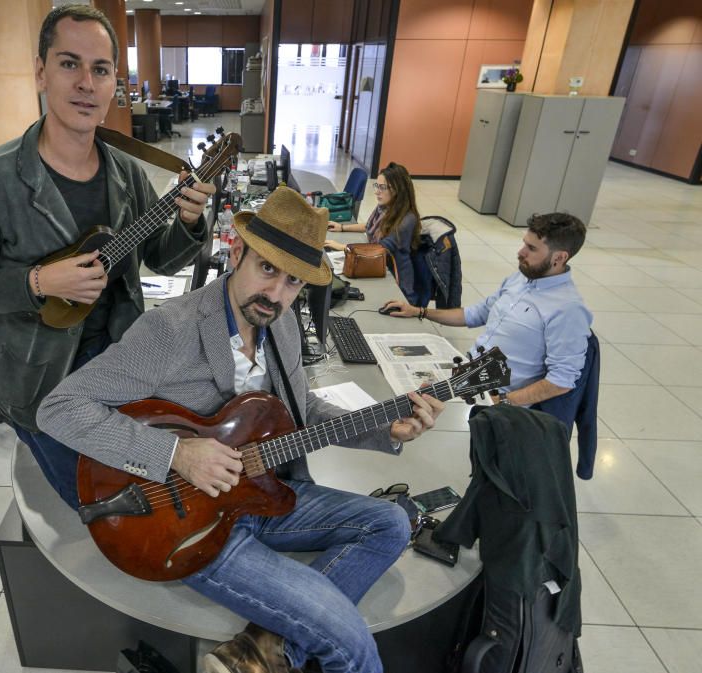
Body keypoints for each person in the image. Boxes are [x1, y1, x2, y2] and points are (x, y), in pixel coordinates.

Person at [38, 186, 445, 673]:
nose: (276, 294)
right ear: (237, 253)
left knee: (392, 524)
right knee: (348, 641)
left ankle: (265, 650)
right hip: (193, 520)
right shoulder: (171, 330)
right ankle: (290, 639)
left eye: (293, 282)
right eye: (267, 269)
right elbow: (59, 408)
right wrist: (177, 454)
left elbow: (302, 413)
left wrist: (386, 429)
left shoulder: (285, 323)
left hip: (263, 492)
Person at [0, 5, 214, 484]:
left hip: (122, 359)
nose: (86, 82)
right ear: (41, 72)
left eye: (100, 69)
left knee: (148, 480)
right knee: (93, 501)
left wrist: (188, 219)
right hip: (40, 377)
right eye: (69, 63)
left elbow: (160, 259)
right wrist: (36, 282)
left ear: (112, 83)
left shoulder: (126, 172)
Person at [382, 212, 592, 407]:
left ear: (559, 258)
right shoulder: (521, 278)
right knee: (386, 378)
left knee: (405, 410)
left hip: (495, 396)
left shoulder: (568, 310)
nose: (521, 253)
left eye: (532, 248)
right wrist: (419, 311)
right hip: (468, 373)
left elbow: (561, 380)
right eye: (524, 244)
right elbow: (475, 314)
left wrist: (500, 401)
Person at [329, 162, 420, 300]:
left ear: (397, 190)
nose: (377, 191)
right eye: (377, 185)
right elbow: (369, 226)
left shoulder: (406, 220)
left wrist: (343, 247)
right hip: (376, 266)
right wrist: (342, 227)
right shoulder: (385, 208)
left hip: (396, 284)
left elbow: (378, 249)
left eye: (382, 187)